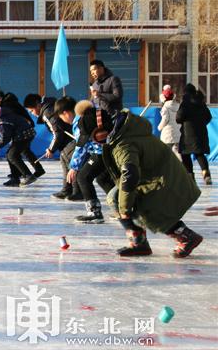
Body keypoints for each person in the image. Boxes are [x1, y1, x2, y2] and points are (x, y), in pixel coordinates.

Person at [81, 108, 203, 258]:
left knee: (127, 202)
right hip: (162, 178)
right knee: (117, 196)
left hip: (165, 182)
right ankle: (145, 240)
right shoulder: (124, 133)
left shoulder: (123, 145)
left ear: (102, 130)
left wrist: (124, 210)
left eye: (93, 137)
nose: (93, 141)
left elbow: (130, 176)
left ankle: (183, 236)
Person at [67, 101, 115, 223]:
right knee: (102, 178)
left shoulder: (85, 120)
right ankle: (121, 207)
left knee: (83, 177)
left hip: (100, 153)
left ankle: (95, 212)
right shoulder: (102, 114)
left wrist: (74, 167)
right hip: (114, 152)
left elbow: (82, 145)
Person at [24, 94, 75, 198]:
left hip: (71, 141)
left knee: (71, 165)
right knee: (66, 163)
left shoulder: (47, 112)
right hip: (66, 142)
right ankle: (67, 190)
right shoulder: (48, 109)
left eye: (32, 111)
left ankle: (77, 191)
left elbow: (58, 132)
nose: (32, 114)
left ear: (38, 105)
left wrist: (51, 149)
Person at [0, 90, 45, 177]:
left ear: (0, 98)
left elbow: (12, 120)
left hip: (23, 129)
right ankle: (38, 169)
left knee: (13, 153)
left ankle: (22, 173)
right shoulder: (10, 102)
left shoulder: (7, 105)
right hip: (25, 127)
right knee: (25, 151)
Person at [0, 107, 37, 187]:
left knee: (12, 155)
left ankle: (28, 175)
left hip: (24, 135)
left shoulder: (1, 121)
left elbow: (6, 136)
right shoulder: (1, 119)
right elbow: (7, 134)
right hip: (23, 135)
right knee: (10, 154)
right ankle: (15, 178)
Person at [176, 83, 212, 185]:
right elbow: (208, 117)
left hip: (188, 133)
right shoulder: (201, 102)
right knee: (199, 153)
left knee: (185, 154)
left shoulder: (185, 103)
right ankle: (206, 173)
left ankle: (190, 176)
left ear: (185, 92)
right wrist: (201, 123)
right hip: (201, 132)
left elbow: (178, 118)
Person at [157, 85, 181, 160]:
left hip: (167, 134)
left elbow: (165, 119)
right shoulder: (178, 106)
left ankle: (166, 168)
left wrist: (159, 127)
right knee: (176, 151)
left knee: (165, 152)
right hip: (178, 132)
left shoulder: (165, 108)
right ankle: (181, 166)